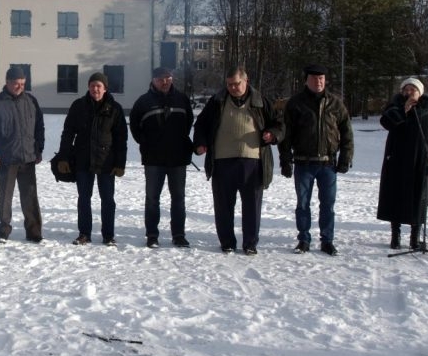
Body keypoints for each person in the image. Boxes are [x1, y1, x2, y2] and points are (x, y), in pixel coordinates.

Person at [192, 65, 283, 255]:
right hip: (222, 161)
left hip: (253, 162)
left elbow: (279, 124)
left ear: (246, 81)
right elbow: (201, 123)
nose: (233, 88)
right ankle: (227, 242)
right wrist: (200, 142)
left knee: (252, 205)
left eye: (236, 84)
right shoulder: (217, 101)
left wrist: (271, 134)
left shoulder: (260, 102)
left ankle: (250, 243)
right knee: (224, 205)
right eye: (229, 84)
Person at [278, 64, 354, 256]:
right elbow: (285, 135)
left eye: (321, 79)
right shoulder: (295, 104)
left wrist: (346, 157)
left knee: (328, 204)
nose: (318, 82)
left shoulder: (336, 104)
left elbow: (347, 133)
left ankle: (327, 240)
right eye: (314, 79)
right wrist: (285, 160)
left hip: (328, 164)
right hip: (304, 163)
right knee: (303, 204)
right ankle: (304, 239)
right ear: (306, 80)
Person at [57, 72, 128, 246]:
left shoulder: (115, 108)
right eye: (92, 85)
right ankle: (84, 233)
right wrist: (64, 157)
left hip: (106, 162)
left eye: (99, 86)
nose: (95, 89)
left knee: (108, 200)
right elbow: (68, 133)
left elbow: (121, 139)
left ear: (105, 88)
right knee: (83, 198)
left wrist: (120, 163)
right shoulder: (78, 106)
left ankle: (108, 235)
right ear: (88, 87)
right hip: (83, 160)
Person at [376, 76, 428, 249]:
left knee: (418, 199)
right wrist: (403, 110)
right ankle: (395, 236)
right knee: (395, 197)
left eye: (412, 89)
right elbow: (385, 122)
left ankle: (415, 238)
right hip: (396, 160)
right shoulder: (395, 106)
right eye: (406, 89)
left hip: (419, 160)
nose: (409, 92)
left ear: (420, 92)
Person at [129, 66, 194, 248]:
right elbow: (134, 126)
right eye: (160, 79)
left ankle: (179, 235)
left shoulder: (181, 99)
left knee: (179, 199)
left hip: (178, 158)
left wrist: (179, 140)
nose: (164, 82)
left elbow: (189, 122)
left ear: (172, 79)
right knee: (152, 199)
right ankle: (152, 235)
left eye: (167, 78)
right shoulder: (143, 102)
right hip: (153, 159)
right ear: (153, 81)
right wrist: (147, 143)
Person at [0, 66, 45, 243]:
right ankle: (4, 230)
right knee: (5, 197)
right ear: (7, 82)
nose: (20, 87)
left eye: (23, 84)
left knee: (30, 196)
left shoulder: (31, 101)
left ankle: (34, 231)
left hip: (28, 157)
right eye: (16, 84)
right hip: (7, 158)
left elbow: (39, 126)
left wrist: (39, 149)